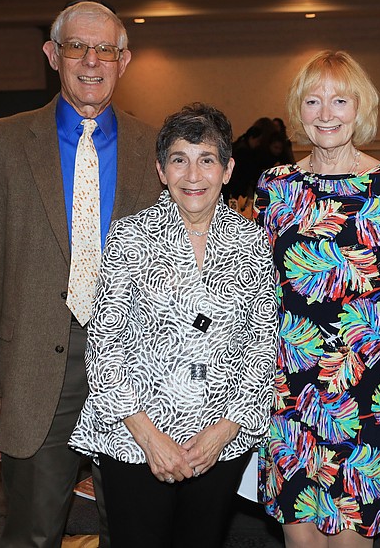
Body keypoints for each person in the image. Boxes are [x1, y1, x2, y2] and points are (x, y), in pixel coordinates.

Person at [0, 1, 160, 547]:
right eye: (77, 46)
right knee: (33, 534)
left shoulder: (157, 149)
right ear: (53, 55)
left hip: (135, 372)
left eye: (106, 50)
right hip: (33, 371)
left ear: (125, 60)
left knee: (135, 533)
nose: (91, 61)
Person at [69, 103, 278, 547]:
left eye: (207, 160)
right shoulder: (130, 237)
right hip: (135, 441)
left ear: (228, 169)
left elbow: (261, 345)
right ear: (162, 171)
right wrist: (150, 438)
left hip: (217, 444)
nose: (193, 174)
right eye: (179, 160)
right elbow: (105, 347)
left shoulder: (253, 242)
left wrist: (226, 430)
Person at [256, 50, 380, 548]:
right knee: (300, 536)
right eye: (313, 100)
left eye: (339, 100)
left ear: (360, 108)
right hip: (290, 389)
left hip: (371, 386)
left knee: (352, 539)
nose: (326, 113)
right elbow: (262, 291)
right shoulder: (275, 187)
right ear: (298, 109)